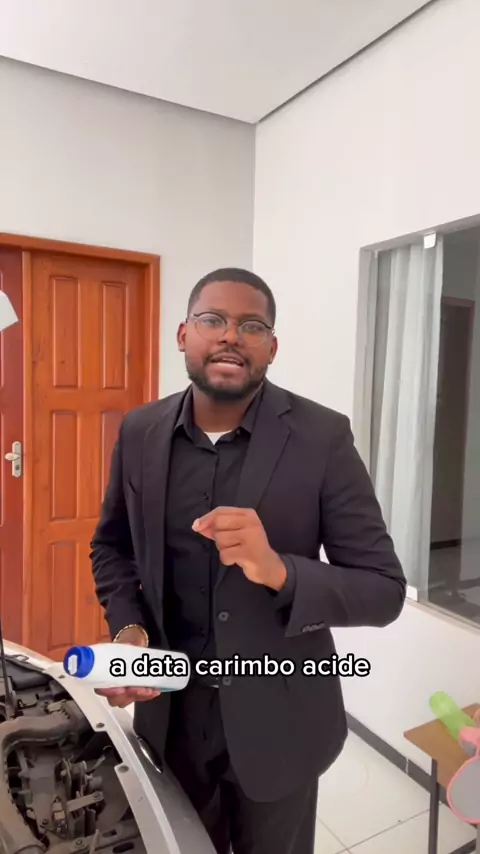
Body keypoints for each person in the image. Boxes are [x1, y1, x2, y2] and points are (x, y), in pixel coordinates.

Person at [90, 268, 406, 854]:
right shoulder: (140, 431)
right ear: (183, 334)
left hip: (282, 723)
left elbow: (384, 590)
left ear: (272, 348)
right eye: (213, 320)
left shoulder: (322, 437)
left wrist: (278, 570)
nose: (231, 336)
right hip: (170, 722)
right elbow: (112, 547)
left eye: (252, 326)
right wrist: (129, 630)